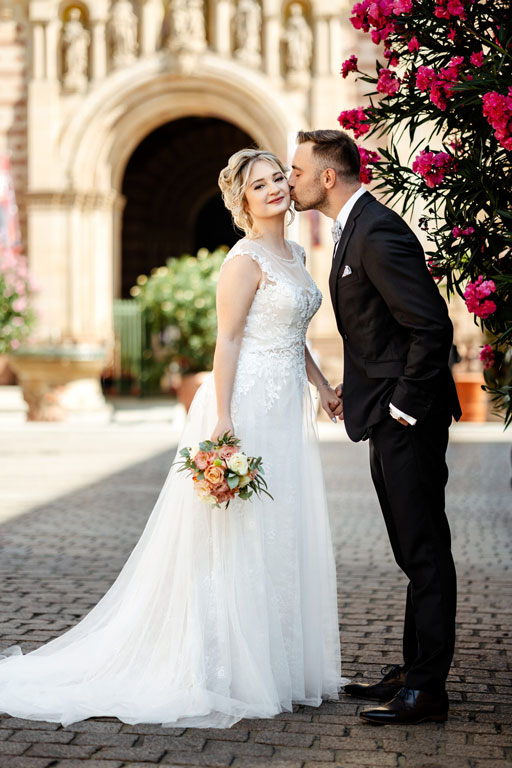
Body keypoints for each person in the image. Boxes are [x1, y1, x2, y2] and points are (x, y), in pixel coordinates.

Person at [0, 148, 348, 729]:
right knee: (237, 528)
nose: (273, 190)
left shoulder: (293, 253)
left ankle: (277, 660)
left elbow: (294, 336)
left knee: (280, 524)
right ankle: (223, 666)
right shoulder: (244, 258)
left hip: (288, 405)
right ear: (241, 201)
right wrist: (223, 417)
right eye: (258, 185)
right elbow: (230, 341)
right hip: (247, 405)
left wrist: (323, 386)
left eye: (277, 179)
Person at [289, 129, 461, 725]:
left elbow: (431, 327)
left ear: (328, 177)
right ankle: (415, 670)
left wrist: (403, 407)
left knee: (425, 549)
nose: (291, 181)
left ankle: (428, 690)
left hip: (406, 418)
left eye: (297, 171)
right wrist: (350, 392)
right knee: (411, 546)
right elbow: (377, 334)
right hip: (384, 411)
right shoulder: (352, 231)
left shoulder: (377, 231)